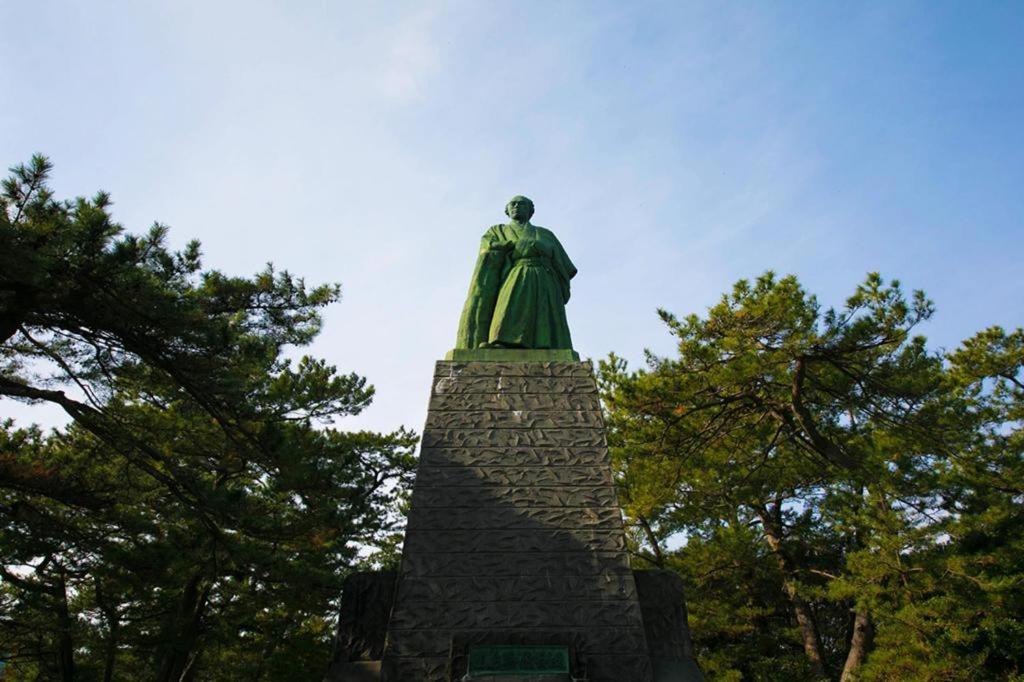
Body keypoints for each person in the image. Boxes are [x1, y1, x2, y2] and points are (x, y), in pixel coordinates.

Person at [455, 196, 577, 350]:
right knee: (509, 306)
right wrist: (510, 245)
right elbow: (488, 246)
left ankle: (545, 344)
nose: (516, 206)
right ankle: (502, 342)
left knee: (543, 311)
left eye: (522, 204)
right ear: (507, 210)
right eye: (513, 204)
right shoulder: (498, 230)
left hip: (544, 277)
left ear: (530, 210)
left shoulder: (545, 234)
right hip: (516, 273)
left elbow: (564, 265)